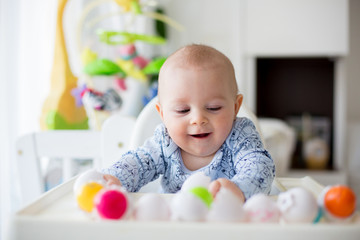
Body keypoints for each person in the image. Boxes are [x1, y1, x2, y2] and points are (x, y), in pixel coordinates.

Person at [103, 44, 275, 202]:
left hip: (226, 223)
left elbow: (259, 166)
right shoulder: (165, 142)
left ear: (235, 107)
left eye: (214, 108)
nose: (198, 119)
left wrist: (239, 190)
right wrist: (114, 179)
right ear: (162, 114)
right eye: (183, 110)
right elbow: (138, 163)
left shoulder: (239, 135)